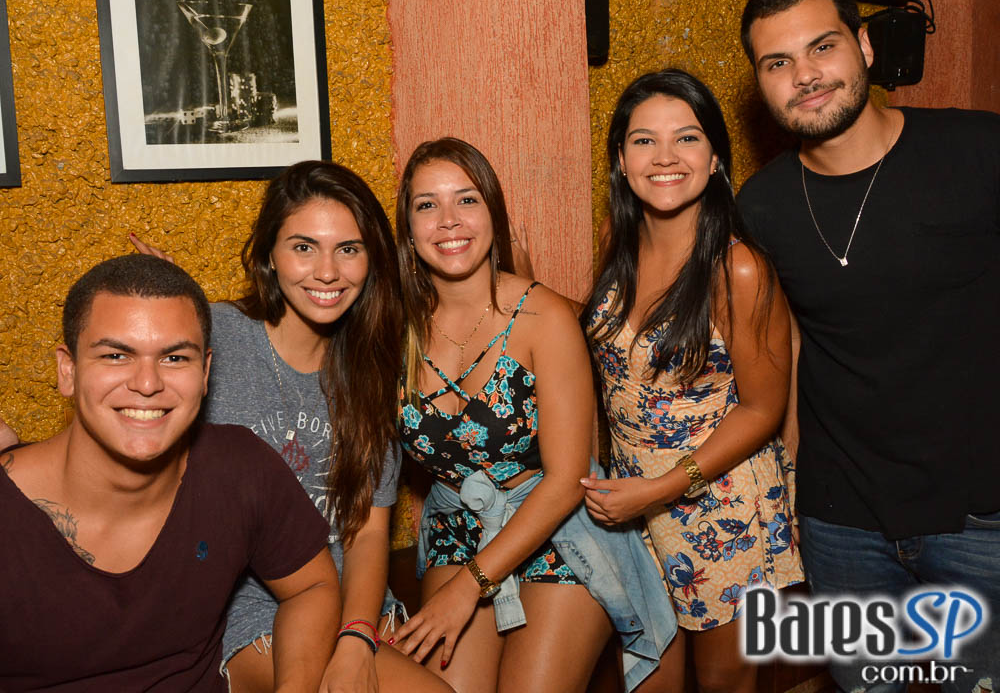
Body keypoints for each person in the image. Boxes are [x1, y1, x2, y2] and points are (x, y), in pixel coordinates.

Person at [736, 0, 1000, 690]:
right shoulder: (761, 210)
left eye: (823, 47)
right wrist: (792, 500)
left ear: (865, 47)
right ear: (761, 84)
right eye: (778, 62)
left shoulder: (980, 153)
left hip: (981, 522)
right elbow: (782, 356)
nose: (805, 76)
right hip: (841, 527)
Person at [132, 161, 451, 693]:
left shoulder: (372, 365)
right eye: (303, 247)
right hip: (252, 605)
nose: (328, 272)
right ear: (268, 255)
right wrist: (164, 312)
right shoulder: (219, 342)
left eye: (349, 249)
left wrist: (356, 636)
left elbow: (368, 530)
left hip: (358, 602)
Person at [392, 137, 675, 693]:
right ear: (407, 229)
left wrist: (469, 586)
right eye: (427, 205)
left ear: (494, 214)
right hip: (457, 529)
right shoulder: (392, 329)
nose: (448, 221)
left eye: (466, 200)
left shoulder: (543, 316)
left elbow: (568, 479)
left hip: (560, 528)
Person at [0, 254, 339, 691]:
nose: (147, 383)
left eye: (175, 358)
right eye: (116, 355)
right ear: (68, 370)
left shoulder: (239, 468)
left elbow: (312, 587)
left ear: (205, 372)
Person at [580, 69, 803, 693]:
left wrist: (660, 490)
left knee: (723, 684)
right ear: (621, 161)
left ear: (716, 160)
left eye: (687, 138)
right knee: (647, 675)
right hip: (630, 504)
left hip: (721, 506)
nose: (665, 158)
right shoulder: (614, 243)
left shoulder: (738, 267)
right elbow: (616, 361)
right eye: (643, 140)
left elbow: (763, 409)